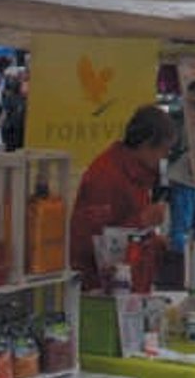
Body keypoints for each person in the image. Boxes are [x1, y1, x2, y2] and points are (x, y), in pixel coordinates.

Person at [70, 104, 176, 289]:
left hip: (127, 286)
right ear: (146, 144)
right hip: (102, 291)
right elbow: (91, 243)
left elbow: (124, 228)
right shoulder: (106, 176)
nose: (165, 157)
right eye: (164, 150)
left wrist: (153, 243)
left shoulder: (138, 175)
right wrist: (142, 221)